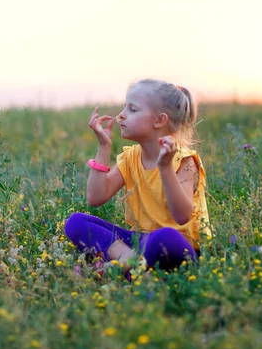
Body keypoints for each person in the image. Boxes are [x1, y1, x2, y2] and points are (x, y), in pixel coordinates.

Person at [64, 78, 211, 274]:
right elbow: (95, 198)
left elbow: (182, 216)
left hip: (179, 246)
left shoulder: (184, 161)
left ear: (159, 120)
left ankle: (124, 267)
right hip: (138, 241)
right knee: (76, 223)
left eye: (132, 110)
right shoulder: (131, 157)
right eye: (124, 108)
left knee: (164, 238)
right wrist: (103, 147)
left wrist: (165, 167)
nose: (121, 116)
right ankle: (130, 261)